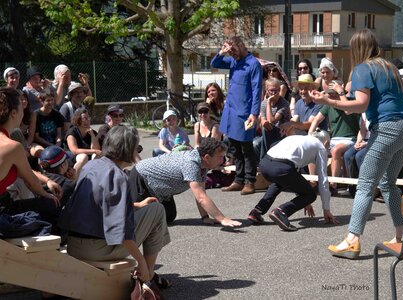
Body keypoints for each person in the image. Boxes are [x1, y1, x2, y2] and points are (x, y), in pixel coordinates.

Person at [309, 29, 403, 259]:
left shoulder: (362, 69)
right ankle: (402, 235)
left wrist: (327, 101)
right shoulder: (389, 68)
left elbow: (360, 104)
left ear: (356, 49)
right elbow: (363, 102)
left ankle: (352, 240)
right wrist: (336, 98)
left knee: (366, 184)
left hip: (387, 129)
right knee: (387, 183)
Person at [59, 125, 171, 294]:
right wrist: (139, 261)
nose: (137, 152)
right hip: (97, 250)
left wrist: (135, 205)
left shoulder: (91, 166)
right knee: (157, 210)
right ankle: (148, 274)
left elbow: (97, 204)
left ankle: (147, 272)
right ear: (128, 150)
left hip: (74, 244)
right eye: (137, 148)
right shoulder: (118, 177)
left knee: (149, 208)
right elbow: (120, 231)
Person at [129, 137, 242, 227]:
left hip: (160, 189)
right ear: (207, 157)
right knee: (134, 220)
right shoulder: (191, 163)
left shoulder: (203, 163)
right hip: (142, 177)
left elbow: (201, 193)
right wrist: (222, 218)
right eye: (221, 157)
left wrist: (205, 217)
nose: (223, 160)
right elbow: (201, 197)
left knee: (169, 217)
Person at [0, 87, 61, 233]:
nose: (24, 111)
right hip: (3, 210)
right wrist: (47, 194)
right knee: (51, 205)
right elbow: (31, 182)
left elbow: (24, 173)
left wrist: (46, 181)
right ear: (13, 113)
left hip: (5, 203)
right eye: (21, 106)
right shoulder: (12, 147)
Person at [247, 132, 337, 231]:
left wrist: (303, 201)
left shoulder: (298, 138)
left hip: (264, 164)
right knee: (311, 195)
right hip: (282, 168)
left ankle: (257, 212)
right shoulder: (320, 147)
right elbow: (323, 179)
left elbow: (293, 178)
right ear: (326, 142)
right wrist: (326, 209)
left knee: (280, 182)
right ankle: (281, 211)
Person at [211, 36, 262, 195]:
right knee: (234, 147)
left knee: (246, 148)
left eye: (233, 50)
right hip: (231, 111)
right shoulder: (233, 61)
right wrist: (222, 52)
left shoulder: (253, 63)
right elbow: (215, 64)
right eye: (230, 51)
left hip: (245, 112)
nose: (232, 53)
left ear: (241, 45)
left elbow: (256, 90)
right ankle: (238, 180)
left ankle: (249, 182)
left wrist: (254, 113)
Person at [253, 78, 290, 161]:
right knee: (255, 143)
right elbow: (263, 120)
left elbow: (272, 121)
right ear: (267, 90)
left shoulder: (284, 103)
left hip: (282, 133)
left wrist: (269, 103)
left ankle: (264, 160)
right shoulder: (263, 103)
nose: (274, 93)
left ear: (279, 90)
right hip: (268, 134)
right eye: (271, 91)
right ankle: (262, 162)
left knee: (266, 130)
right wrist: (265, 123)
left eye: (276, 90)